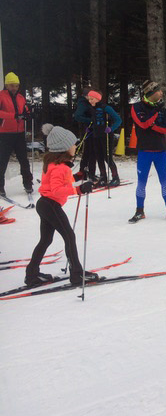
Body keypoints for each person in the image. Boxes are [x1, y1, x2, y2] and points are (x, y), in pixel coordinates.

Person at [24, 123, 98, 287]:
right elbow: (57, 190)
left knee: (46, 240)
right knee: (69, 236)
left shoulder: (54, 164)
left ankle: (32, 274)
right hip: (50, 205)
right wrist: (78, 189)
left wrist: (78, 177)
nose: (75, 146)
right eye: (73, 144)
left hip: (44, 204)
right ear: (64, 147)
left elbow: (57, 183)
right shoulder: (60, 168)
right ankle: (77, 274)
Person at [129, 80, 166, 223]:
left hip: (160, 151)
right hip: (144, 151)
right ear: (151, 93)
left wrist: (153, 125)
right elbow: (143, 123)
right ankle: (139, 211)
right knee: (141, 183)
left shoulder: (161, 107)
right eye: (159, 90)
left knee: (165, 182)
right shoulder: (137, 107)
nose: (162, 93)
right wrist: (154, 116)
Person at [0, 72, 33, 196]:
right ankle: (0, 187)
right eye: (12, 85)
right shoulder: (1, 96)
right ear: (7, 85)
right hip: (5, 133)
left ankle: (28, 183)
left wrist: (28, 114)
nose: (14, 88)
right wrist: (13, 116)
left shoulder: (20, 97)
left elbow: (24, 110)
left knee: (24, 159)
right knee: (2, 161)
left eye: (16, 86)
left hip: (19, 132)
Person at [86, 90, 122, 187]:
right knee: (99, 157)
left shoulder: (106, 108)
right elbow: (94, 121)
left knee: (107, 157)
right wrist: (90, 128)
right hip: (96, 135)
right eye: (89, 99)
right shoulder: (92, 108)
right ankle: (103, 177)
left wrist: (111, 129)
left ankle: (115, 177)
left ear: (97, 98)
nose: (90, 101)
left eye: (92, 99)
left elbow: (118, 120)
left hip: (106, 135)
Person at [74, 87, 98, 182]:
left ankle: (84, 172)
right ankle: (89, 173)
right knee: (91, 152)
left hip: (90, 129)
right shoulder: (83, 103)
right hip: (89, 130)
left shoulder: (85, 102)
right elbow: (78, 116)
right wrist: (91, 121)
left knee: (88, 151)